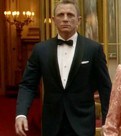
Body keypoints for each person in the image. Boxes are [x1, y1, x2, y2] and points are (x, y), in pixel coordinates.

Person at [15, 0, 112, 136]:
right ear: (54, 20)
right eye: (61, 15)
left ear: (78, 20)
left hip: (82, 122)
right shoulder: (40, 50)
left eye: (70, 15)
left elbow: (105, 87)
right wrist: (21, 113)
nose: (65, 19)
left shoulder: (93, 49)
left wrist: (108, 121)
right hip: (52, 123)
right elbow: (28, 85)